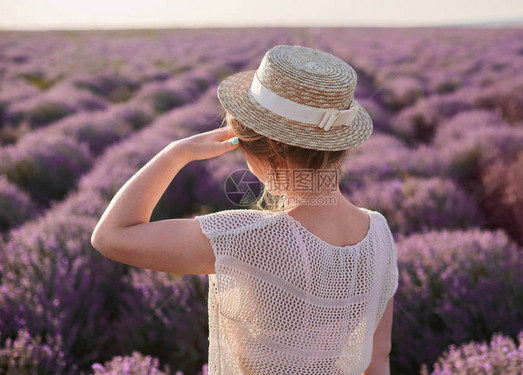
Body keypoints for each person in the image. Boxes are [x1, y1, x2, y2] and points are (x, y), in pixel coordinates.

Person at [91, 45, 399, 375]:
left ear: (269, 154)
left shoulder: (248, 237)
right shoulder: (379, 233)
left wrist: (175, 153)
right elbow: (378, 358)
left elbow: (111, 236)